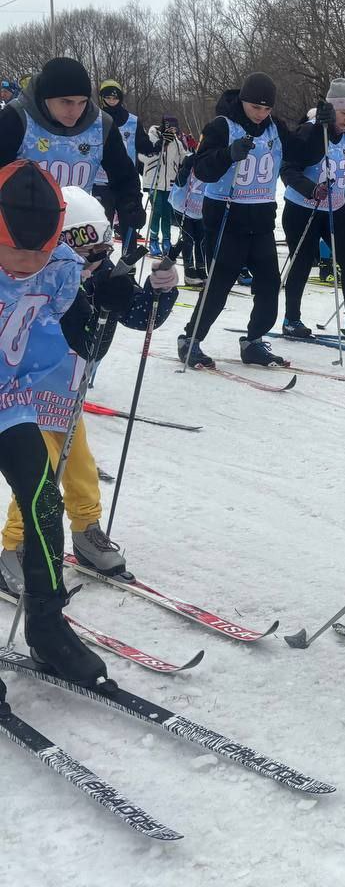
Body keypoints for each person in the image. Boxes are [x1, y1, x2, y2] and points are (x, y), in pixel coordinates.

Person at [1, 186, 179, 583]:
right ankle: (16, 544)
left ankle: (85, 531)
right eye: (86, 257)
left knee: (79, 467)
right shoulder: (36, 278)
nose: (93, 266)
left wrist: (159, 291)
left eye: (101, 255)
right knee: (39, 476)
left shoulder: (102, 274)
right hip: (30, 396)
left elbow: (138, 315)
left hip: (69, 398)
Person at [0, 161, 120, 684]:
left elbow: (75, 335)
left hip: (9, 399)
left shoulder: (60, 266)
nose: (29, 266)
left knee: (44, 500)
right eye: (16, 256)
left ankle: (47, 628)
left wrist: (111, 306)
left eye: (40, 254)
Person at [180, 71, 329, 368]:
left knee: (269, 283)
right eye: (255, 108)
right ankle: (191, 338)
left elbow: (304, 154)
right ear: (243, 101)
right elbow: (203, 170)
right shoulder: (223, 126)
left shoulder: (275, 128)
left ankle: (253, 341)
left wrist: (321, 128)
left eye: (266, 109)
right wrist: (228, 155)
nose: (261, 114)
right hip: (226, 214)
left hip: (260, 217)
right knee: (220, 282)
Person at [281, 78, 345, 341]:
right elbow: (288, 169)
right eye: (343, 113)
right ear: (331, 109)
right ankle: (291, 319)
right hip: (303, 208)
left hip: (335, 208)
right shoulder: (310, 131)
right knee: (303, 262)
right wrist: (311, 189)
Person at [0, 58, 145, 237]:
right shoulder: (16, 118)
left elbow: (123, 173)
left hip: (74, 232)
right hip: (19, 233)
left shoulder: (101, 125)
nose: (75, 111)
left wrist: (130, 202)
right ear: (46, 96)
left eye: (82, 102)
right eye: (66, 102)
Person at [94, 79, 160, 233]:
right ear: (102, 98)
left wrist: (159, 144)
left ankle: (128, 254)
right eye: (108, 98)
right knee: (102, 227)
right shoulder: (95, 119)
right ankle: (102, 256)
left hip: (125, 181)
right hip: (101, 181)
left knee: (129, 225)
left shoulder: (132, 121)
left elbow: (143, 145)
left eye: (115, 98)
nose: (111, 101)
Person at [140, 115, 184, 256]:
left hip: (169, 183)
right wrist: (161, 144)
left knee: (167, 213)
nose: (172, 131)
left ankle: (166, 240)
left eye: (174, 128)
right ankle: (153, 240)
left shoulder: (177, 141)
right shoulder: (152, 136)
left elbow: (183, 156)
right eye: (169, 127)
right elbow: (143, 156)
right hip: (154, 181)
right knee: (157, 210)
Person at [168, 151, 207, 284]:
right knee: (188, 238)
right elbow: (179, 181)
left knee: (201, 240)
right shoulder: (192, 158)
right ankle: (189, 272)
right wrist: (186, 167)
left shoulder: (212, 161)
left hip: (199, 210)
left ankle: (201, 269)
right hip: (181, 206)